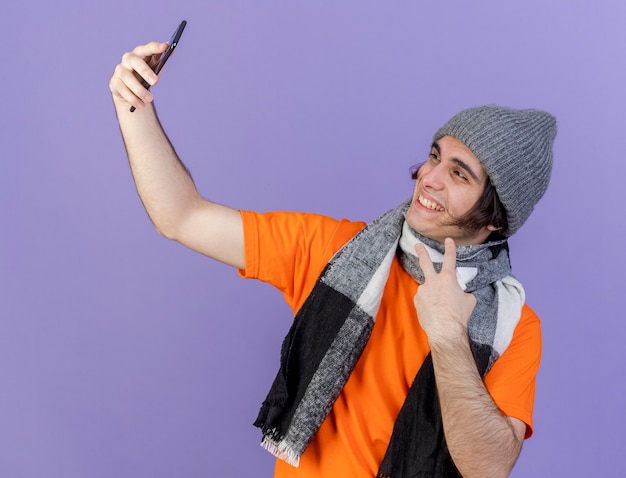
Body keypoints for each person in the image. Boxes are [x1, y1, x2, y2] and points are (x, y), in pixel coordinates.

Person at [109, 41, 556, 478]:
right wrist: (134, 108)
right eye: (435, 156)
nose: (428, 177)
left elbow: (488, 467)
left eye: (459, 174)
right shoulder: (336, 252)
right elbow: (182, 216)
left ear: (496, 215)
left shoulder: (514, 326)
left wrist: (449, 335)